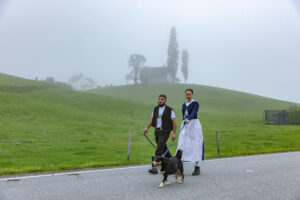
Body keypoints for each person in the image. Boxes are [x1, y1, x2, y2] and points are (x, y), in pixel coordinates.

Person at [143, 94, 177, 174]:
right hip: (157, 132)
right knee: (164, 149)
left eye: (162, 99)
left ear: (165, 101)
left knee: (159, 149)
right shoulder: (155, 109)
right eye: (159, 99)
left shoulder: (169, 110)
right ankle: (174, 164)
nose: (160, 100)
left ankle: (154, 167)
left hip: (165, 131)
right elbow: (151, 120)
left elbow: (174, 122)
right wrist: (146, 127)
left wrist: (174, 133)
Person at [176, 88, 204, 176]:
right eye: (186, 94)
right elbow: (183, 115)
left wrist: (189, 119)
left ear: (192, 95)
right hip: (185, 125)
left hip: (194, 124)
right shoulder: (184, 105)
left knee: (195, 144)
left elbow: (194, 112)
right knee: (181, 144)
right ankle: (179, 168)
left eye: (189, 94)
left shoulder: (195, 103)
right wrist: (184, 120)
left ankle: (197, 167)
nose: (188, 96)